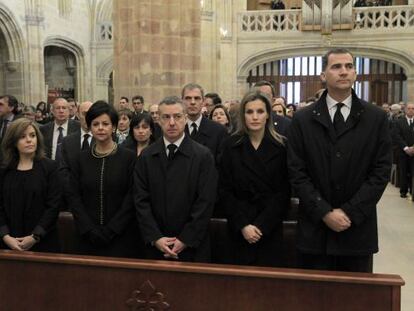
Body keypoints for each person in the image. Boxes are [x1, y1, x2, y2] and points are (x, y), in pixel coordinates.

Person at [288, 48, 392, 273]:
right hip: (315, 229)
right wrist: (324, 212)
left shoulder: (376, 118)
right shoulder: (302, 120)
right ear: (323, 75)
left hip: (357, 228)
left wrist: (350, 212)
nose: (344, 72)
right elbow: (296, 172)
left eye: (349, 66)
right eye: (336, 67)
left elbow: (380, 171)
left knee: (355, 301)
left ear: (355, 73)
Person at [134, 96, 217, 262]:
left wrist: (186, 238)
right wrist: (156, 237)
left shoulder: (202, 156)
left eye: (177, 116)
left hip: (192, 246)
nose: (172, 122)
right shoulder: (147, 156)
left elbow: (205, 201)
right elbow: (140, 200)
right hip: (155, 245)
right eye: (166, 117)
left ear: (185, 119)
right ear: (158, 120)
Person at [219, 91, 289, 267]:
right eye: (249, 112)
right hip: (239, 226)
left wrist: (262, 226)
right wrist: (243, 225)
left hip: (269, 227)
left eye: (260, 111)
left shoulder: (282, 146)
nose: (255, 117)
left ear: (268, 115)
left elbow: (284, 192)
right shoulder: (230, 145)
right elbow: (224, 189)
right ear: (243, 116)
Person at [67, 101, 140, 257]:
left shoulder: (129, 158)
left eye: (105, 124)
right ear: (90, 127)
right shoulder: (80, 159)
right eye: (95, 124)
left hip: (121, 236)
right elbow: (74, 196)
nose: (100, 128)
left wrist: (112, 229)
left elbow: (132, 197)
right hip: (87, 237)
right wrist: (88, 229)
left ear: (113, 126)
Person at [0, 118, 61, 252]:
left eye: (32, 135)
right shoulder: (4, 170)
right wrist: (5, 236)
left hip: (43, 241)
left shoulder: (50, 167)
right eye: (22, 137)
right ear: (13, 142)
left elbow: (53, 206)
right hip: (8, 243)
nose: (29, 140)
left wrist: (35, 236)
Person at [182, 83, 228, 163]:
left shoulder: (218, 131)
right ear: (182, 101)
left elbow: (222, 165)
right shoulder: (175, 130)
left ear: (203, 102)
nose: (192, 102)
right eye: (188, 98)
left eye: (197, 98)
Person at [392, 102, 414, 198]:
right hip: (403, 151)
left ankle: (413, 191)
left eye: (413, 108)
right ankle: (403, 191)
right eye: (409, 108)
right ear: (405, 109)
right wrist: (406, 148)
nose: (410, 110)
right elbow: (397, 136)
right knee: (403, 171)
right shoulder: (399, 121)